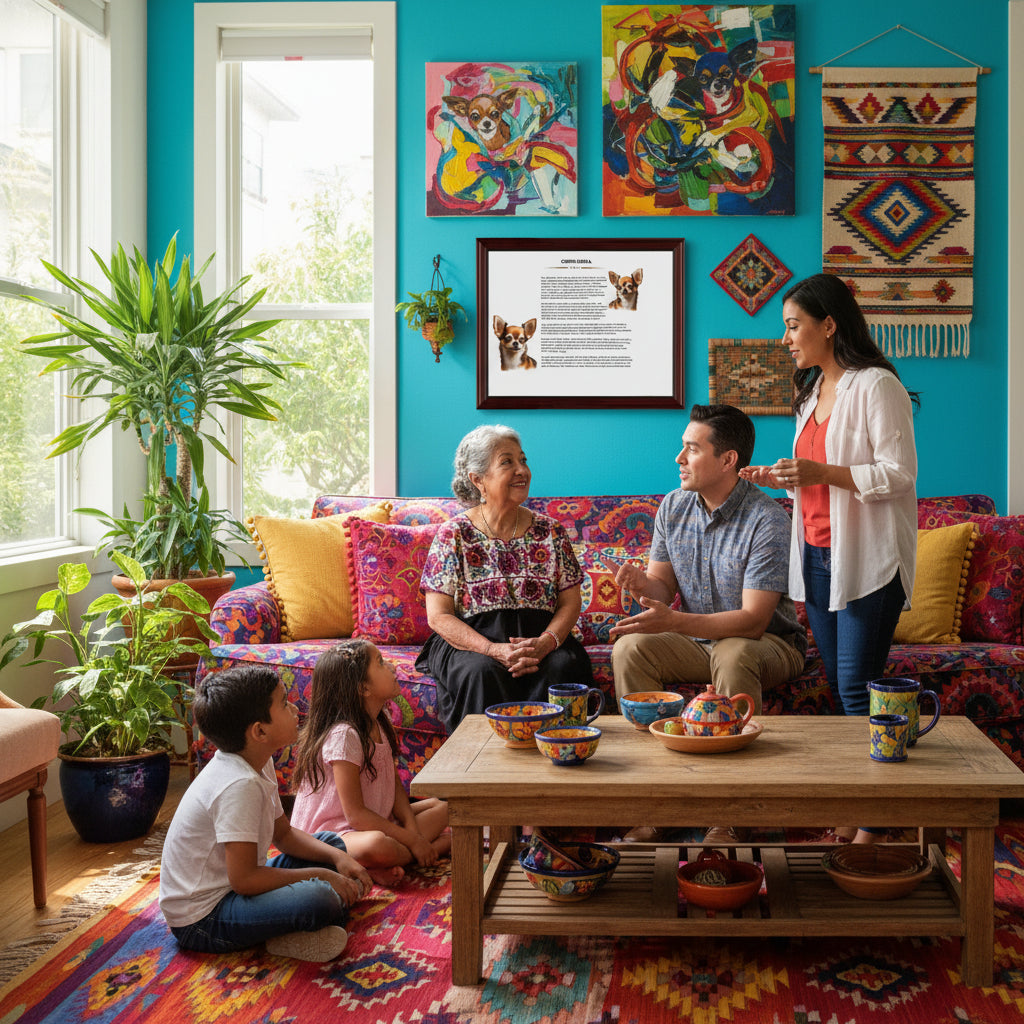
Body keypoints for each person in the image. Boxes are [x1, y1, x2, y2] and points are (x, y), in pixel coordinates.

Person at [742, 273, 918, 844]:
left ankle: (874, 822)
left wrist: (820, 473)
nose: (787, 338)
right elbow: (818, 482)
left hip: (866, 560)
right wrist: (785, 478)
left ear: (829, 324)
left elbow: (898, 475)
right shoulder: (811, 392)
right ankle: (858, 807)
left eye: (794, 326)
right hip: (816, 557)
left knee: (855, 689)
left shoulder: (877, 387)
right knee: (842, 691)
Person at [610, 404, 807, 845]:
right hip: (700, 641)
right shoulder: (674, 507)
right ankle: (656, 804)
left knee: (735, 651)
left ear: (728, 459)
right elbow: (662, 588)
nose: (679, 458)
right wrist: (645, 586)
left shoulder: (767, 518)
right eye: (682, 448)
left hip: (770, 643)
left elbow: (754, 622)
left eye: (691, 449)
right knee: (630, 649)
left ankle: (730, 816)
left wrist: (674, 620)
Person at [159, 665, 372, 962]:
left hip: (237, 891)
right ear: (259, 731)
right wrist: (322, 875)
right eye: (284, 703)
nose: (296, 708)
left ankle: (290, 929)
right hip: (203, 919)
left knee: (331, 844)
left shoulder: (257, 762)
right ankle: (284, 935)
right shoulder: (238, 785)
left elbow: (284, 836)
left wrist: (337, 859)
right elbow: (245, 881)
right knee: (319, 897)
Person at [416, 424, 594, 732]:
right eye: (507, 462)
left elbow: (570, 602)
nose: (521, 470)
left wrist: (546, 642)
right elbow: (439, 616)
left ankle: (559, 761)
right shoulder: (454, 534)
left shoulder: (550, 531)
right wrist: (492, 649)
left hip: (540, 637)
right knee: (482, 672)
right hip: (471, 643)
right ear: (478, 480)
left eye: (523, 460)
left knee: (563, 666)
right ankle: (481, 773)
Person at [290, 640, 451, 886]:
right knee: (377, 844)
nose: (393, 667)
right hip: (330, 836)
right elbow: (355, 816)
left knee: (446, 808)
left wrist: (413, 834)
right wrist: (414, 840)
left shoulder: (379, 720)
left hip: (374, 820)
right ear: (363, 688)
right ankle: (422, 851)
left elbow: (393, 782)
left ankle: (382, 863)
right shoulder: (344, 735)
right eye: (381, 663)